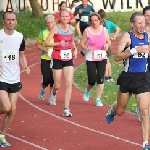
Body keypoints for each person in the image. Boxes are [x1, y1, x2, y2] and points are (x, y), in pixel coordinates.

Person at [105, 12, 150, 150]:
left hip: (143, 78)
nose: (142, 25)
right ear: (132, 24)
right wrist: (135, 50)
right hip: (128, 77)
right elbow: (117, 57)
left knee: (144, 111)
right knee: (120, 111)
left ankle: (145, 144)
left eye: (144, 22)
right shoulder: (127, 36)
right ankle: (113, 109)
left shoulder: (148, 35)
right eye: (139, 23)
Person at [0, 11, 30, 147]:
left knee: (12, 109)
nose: (11, 22)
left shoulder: (20, 37)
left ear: (16, 22)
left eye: (13, 20)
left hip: (14, 77)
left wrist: (26, 66)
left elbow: (22, 54)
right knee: (6, 107)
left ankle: (2, 135)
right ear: (3, 21)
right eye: (8, 20)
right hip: (1, 77)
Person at [45, 9, 77, 117]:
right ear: (59, 18)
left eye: (66, 16)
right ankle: (53, 93)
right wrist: (58, 43)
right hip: (57, 57)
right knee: (57, 84)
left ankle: (66, 108)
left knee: (69, 83)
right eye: (62, 17)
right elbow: (46, 43)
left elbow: (71, 41)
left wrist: (75, 48)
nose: (64, 18)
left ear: (69, 18)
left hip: (68, 58)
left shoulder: (72, 29)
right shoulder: (55, 28)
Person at [80, 12, 111, 106]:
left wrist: (107, 45)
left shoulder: (104, 30)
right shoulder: (87, 31)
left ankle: (98, 99)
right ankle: (87, 91)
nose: (94, 22)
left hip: (102, 56)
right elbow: (82, 43)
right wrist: (86, 48)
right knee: (92, 80)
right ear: (90, 21)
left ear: (100, 20)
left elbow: (109, 41)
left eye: (96, 20)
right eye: (92, 20)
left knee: (101, 79)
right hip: (91, 57)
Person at [98, 9, 121, 82]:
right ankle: (109, 77)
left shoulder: (98, 24)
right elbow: (118, 28)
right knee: (108, 60)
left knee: (104, 61)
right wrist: (114, 36)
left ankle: (106, 77)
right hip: (108, 43)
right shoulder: (108, 23)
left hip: (101, 44)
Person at [36, 15, 55, 105]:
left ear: (54, 22)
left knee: (53, 79)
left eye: (51, 22)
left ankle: (52, 97)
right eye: (48, 23)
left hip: (56, 58)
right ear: (46, 24)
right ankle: (43, 88)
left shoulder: (58, 32)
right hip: (45, 58)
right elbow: (38, 44)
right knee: (46, 79)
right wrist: (45, 50)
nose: (50, 24)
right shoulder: (43, 32)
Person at [136, 6, 150, 122]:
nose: (149, 18)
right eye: (147, 16)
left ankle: (143, 108)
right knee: (145, 87)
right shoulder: (140, 30)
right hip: (141, 61)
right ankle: (143, 109)